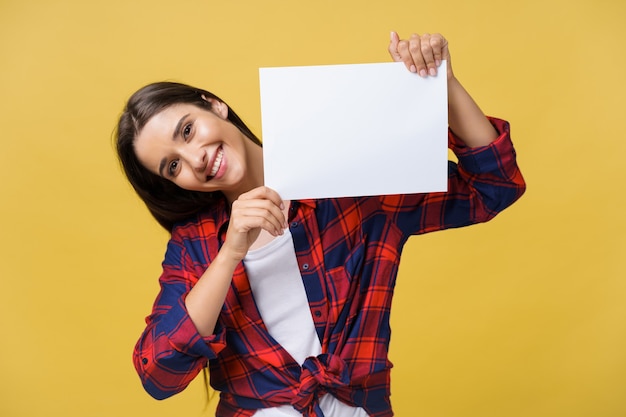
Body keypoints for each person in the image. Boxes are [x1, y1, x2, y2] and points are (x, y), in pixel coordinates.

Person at [116, 32, 526, 417]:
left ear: (214, 104)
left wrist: (445, 85)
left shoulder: (347, 184)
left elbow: (492, 187)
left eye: (187, 131)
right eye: (173, 166)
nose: (195, 159)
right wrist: (230, 254)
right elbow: (158, 374)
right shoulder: (195, 245)